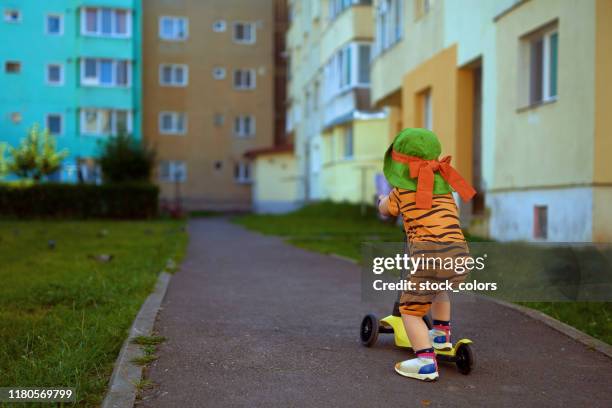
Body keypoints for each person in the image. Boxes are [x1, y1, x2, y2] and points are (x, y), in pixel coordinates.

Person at [377, 128, 476, 381]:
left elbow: (386, 210)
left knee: (410, 310)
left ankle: (425, 361)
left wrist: (381, 199)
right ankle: (441, 335)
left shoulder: (401, 193)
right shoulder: (445, 190)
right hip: (459, 256)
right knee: (439, 289)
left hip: (429, 258)